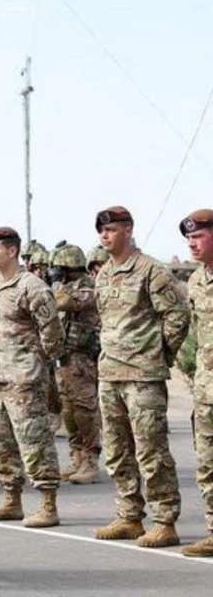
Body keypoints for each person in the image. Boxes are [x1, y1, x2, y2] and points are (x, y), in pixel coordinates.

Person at [92, 206, 190, 547]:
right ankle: (129, 515)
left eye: (112, 229)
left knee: (151, 449)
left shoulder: (151, 270)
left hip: (143, 376)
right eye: (101, 231)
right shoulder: (104, 274)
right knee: (117, 450)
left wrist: (159, 354)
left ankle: (165, 520)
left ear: (129, 230)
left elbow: (177, 317)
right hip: (110, 374)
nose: (105, 235)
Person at [0, 227, 64, 528]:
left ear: (12, 251)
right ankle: (11, 500)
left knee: (34, 441)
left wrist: (36, 361)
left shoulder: (32, 287)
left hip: (24, 379)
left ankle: (48, 505)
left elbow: (52, 332)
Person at [47, 243, 103, 485]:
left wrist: (56, 283)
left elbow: (65, 303)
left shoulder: (88, 287)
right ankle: (77, 455)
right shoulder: (66, 287)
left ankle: (90, 459)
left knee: (84, 410)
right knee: (68, 409)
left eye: (59, 268)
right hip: (65, 356)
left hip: (83, 358)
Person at [180, 208, 213, 557]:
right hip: (206, 391)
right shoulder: (196, 281)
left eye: (198, 236)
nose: (192, 243)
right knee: (207, 464)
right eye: (189, 238)